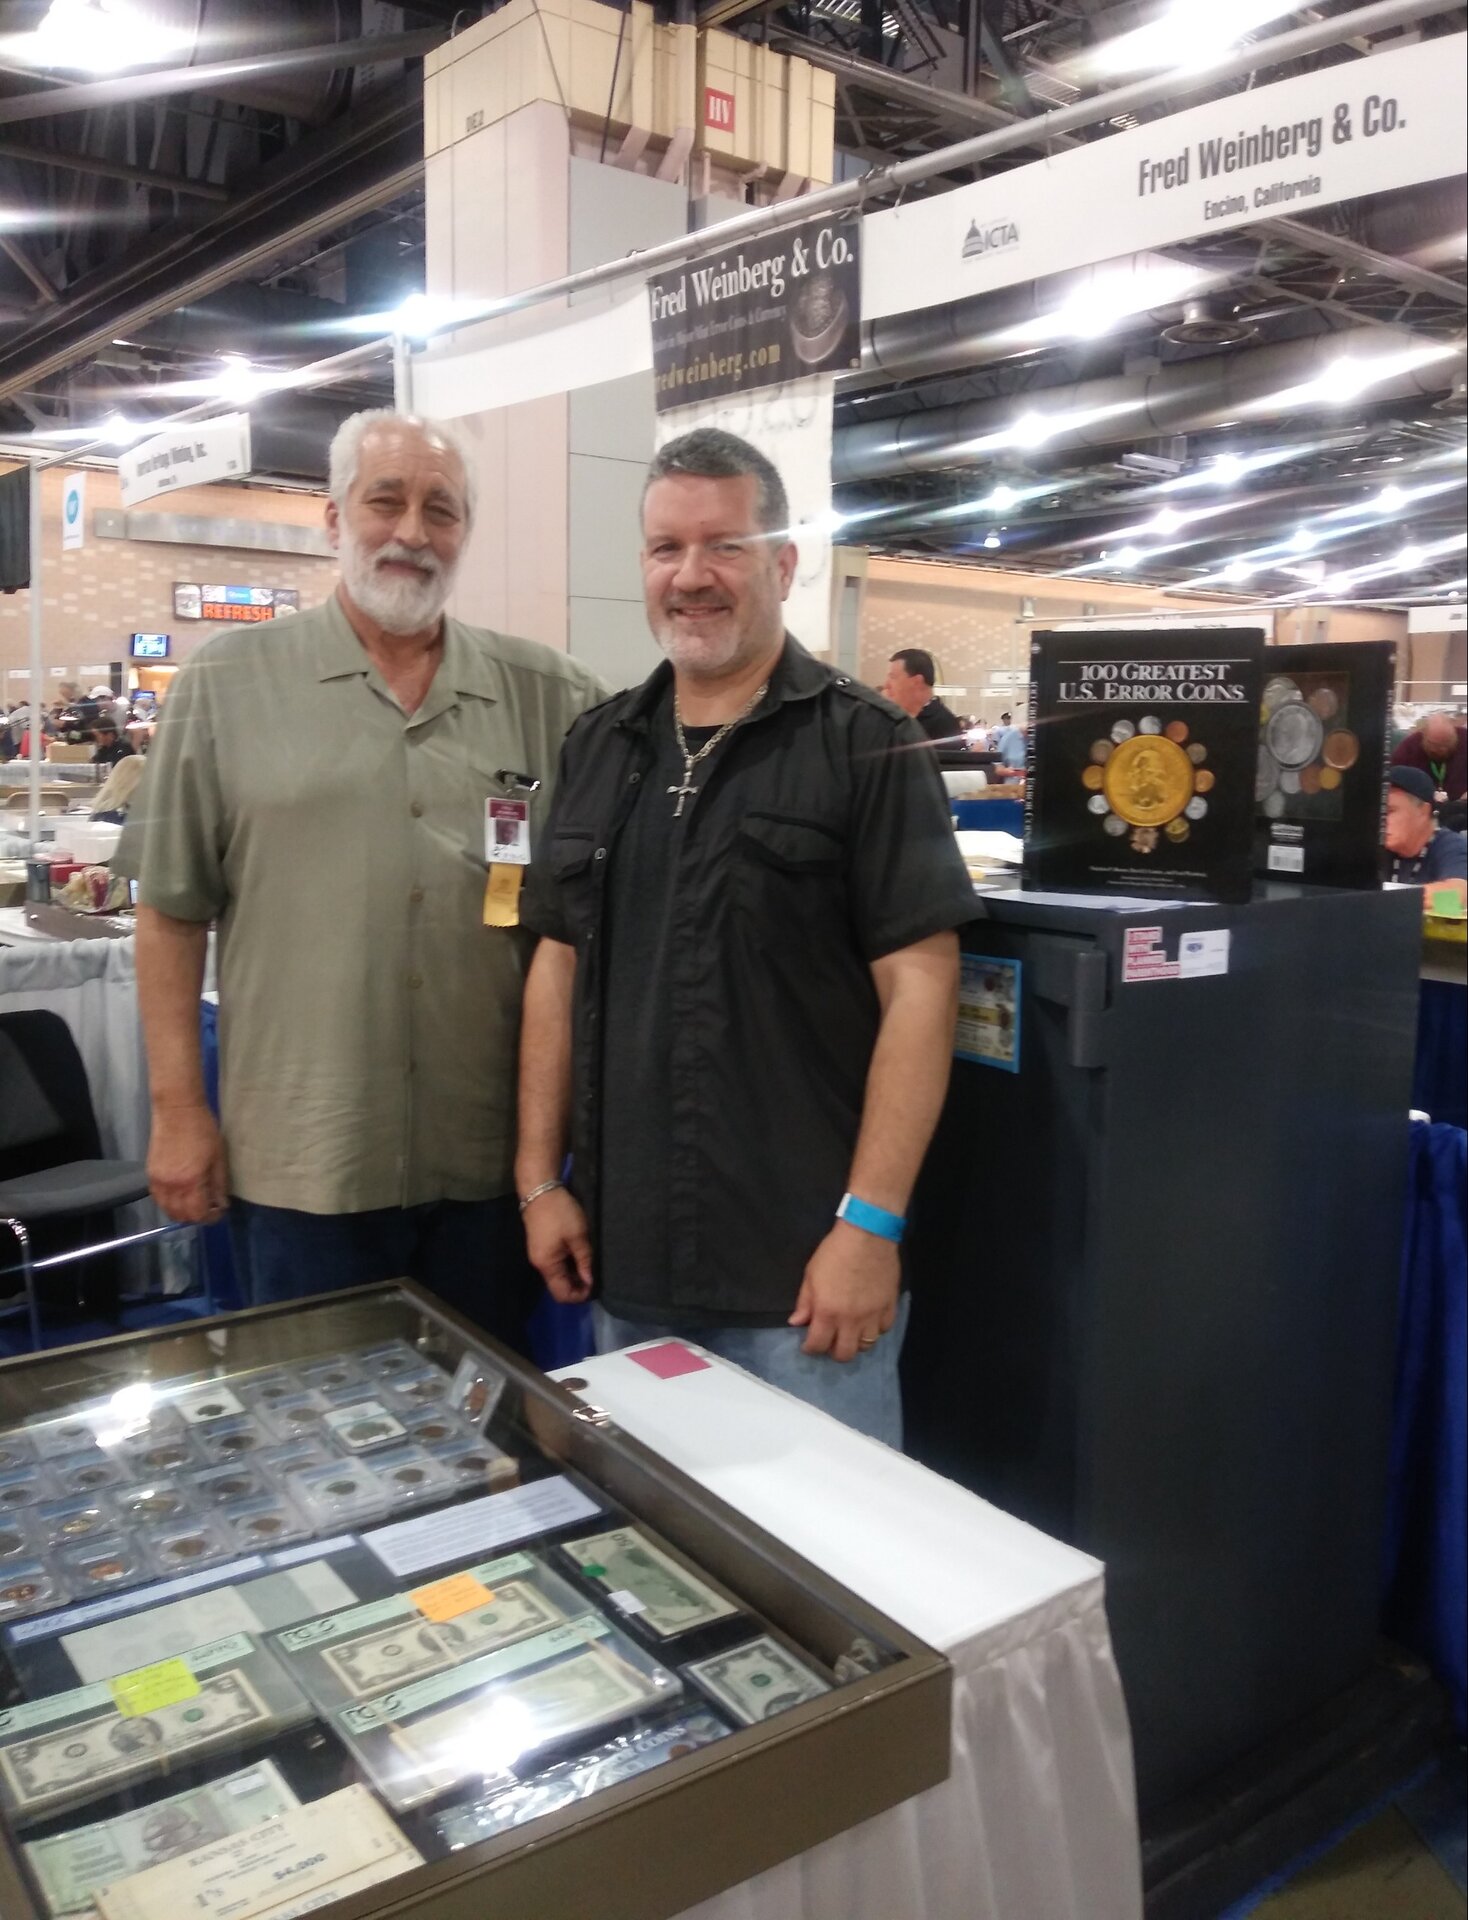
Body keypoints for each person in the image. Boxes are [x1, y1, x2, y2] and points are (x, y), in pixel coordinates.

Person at [516, 428, 976, 1447]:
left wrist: (870, 1224)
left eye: (724, 545)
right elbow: (557, 964)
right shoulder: (598, 748)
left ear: (781, 563)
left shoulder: (866, 743)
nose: (692, 575)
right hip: (628, 1267)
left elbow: (922, 988)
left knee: (830, 1536)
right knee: (653, 1530)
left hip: (806, 1283)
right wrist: (538, 1179)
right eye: (666, 548)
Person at [134, 407, 606, 1344]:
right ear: (333, 518)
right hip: (305, 1162)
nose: (412, 532)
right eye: (385, 501)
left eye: (442, 509)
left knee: (485, 1417)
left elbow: (581, 934)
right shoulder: (226, 686)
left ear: (465, 531)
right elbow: (171, 915)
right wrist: (179, 1110)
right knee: (312, 1415)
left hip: (491, 1166)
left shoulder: (554, 698)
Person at [1384, 766, 1467, 903]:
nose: (1381, 820)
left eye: (1389, 811)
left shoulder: (1450, 846)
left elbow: (1459, 896)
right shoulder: (1379, 849)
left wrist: (1385, 898)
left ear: (1422, 811)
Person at [879, 648, 965, 741]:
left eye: (893, 677)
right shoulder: (891, 718)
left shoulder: (944, 725)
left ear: (916, 682)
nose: (886, 685)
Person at [1392, 710, 1467, 807]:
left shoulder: (1465, 738)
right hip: (1420, 807)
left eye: (1447, 743)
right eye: (1435, 745)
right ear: (1424, 735)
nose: (1442, 749)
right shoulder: (1409, 747)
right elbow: (1393, 780)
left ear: (1454, 733)